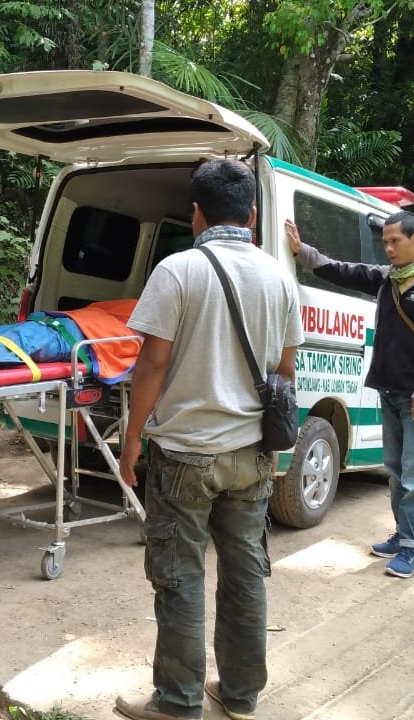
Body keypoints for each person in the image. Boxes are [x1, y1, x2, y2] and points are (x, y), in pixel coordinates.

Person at [115, 159, 302, 720]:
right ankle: (241, 695)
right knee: (246, 574)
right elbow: (285, 374)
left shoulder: (178, 271)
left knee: (179, 576)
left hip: (185, 456)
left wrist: (130, 445)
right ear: (250, 214)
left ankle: (177, 702)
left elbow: (150, 368)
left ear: (195, 213)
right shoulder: (280, 278)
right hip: (252, 458)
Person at [286, 211, 414, 578]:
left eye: (396, 241)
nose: (389, 248)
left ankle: (413, 549)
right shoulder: (387, 279)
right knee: (396, 471)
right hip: (389, 389)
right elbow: (342, 271)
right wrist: (303, 252)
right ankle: (401, 536)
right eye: (386, 242)